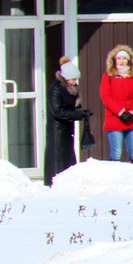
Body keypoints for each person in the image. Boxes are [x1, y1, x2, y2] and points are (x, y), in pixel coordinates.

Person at [44, 58, 91, 186]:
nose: (75, 82)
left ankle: (67, 180)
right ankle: (55, 181)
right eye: (73, 79)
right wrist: (77, 114)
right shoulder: (56, 89)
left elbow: (72, 107)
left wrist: (81, 112)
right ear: (65, 77)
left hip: (66, 129)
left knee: (67, 155)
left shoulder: (70, 88)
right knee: (58, 157)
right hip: (57, 130)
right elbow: (58, 111)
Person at [99, 44, 133, 161]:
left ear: (129, 61)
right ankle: (114, 178)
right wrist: (121, 112)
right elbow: (106, 97)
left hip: (132, 119)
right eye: (119, 58)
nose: (121, 61)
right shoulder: (108, 76)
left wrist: (132, 112)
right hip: (115, 118)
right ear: (114, 60)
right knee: (116, 153)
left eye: (124, 59)